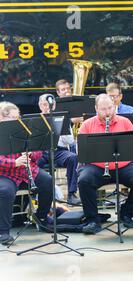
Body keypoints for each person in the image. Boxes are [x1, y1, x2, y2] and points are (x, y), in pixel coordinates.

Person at [77, 94, 133, 235]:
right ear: (96, 109)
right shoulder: (87, 124)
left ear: (114, 107)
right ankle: (92, 219)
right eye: (103, 109)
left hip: (123, 166)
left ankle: (126, 214)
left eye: (110, 108)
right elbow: (81, 150)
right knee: (84, 181)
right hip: (97, 167)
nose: (107, 112)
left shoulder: (125, 122)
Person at [0, 102, 53, 245]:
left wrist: (31, 154)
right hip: (5, 173)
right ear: (2, 117)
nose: (18, 121)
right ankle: (3, 231)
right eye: (13, 117)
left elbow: (39, 150)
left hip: (27, 170)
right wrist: (14, 163)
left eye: (19, 117)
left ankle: (40, 217)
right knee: (5, 191)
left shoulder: (25, 129)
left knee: (48, 181)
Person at [37, 94, 81, 205]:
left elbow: (70, 141)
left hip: (58, 150)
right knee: (32, 163)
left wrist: (59, 131)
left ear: (54, 105)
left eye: (49, 105)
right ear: (39, 105)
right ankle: (37, 193)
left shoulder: (62, 118)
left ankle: (71, 194)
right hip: (40, 151)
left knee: (73, 158)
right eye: (43, 104)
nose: (46, 107)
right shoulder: (35, 119)